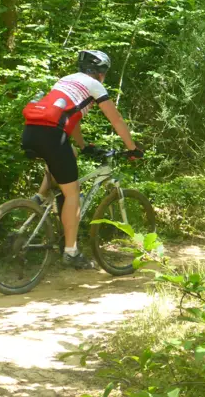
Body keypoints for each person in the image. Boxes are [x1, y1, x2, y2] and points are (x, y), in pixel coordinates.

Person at [21, 49, 143, 270]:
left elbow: (72, 118)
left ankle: (40, 197)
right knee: (73, 193)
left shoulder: (66, 80)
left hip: (30, 132)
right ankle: (71, 252)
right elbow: (116, 119)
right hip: (52, 136)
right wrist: (132, 148)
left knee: (70, 154)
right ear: (101, 72)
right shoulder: (94, 85)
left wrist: (84, 146)